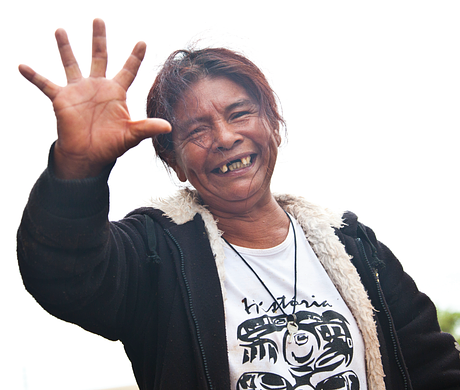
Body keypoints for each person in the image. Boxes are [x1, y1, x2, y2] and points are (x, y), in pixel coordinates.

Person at [17, 18, 460, 390]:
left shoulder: (355, 248)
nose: (226, 138)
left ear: (274, 125)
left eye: (239, 113)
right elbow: (65, 275)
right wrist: (77, 169)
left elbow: (434, 368)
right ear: (175, 162)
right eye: (197, 130)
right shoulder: (155, 253)